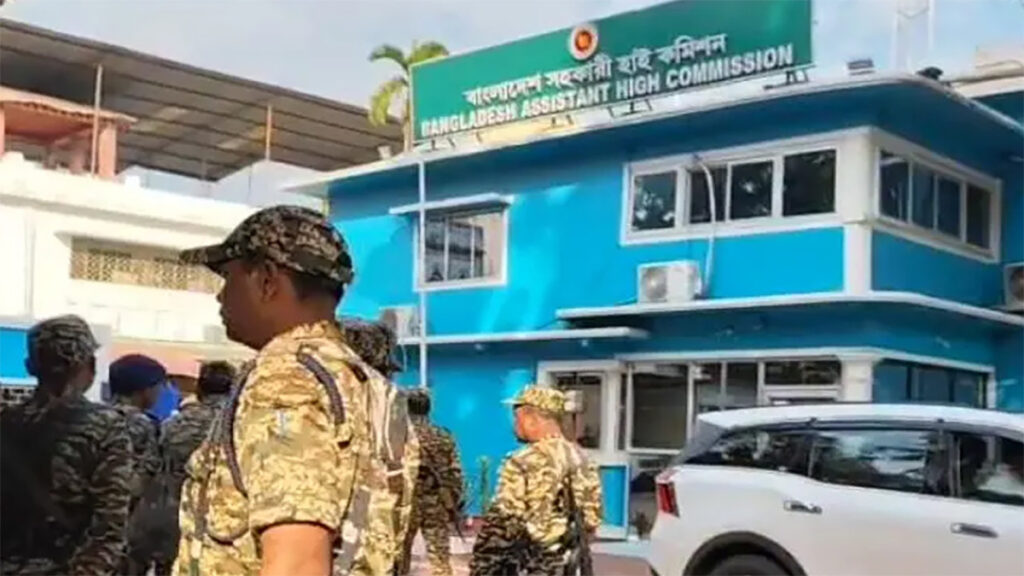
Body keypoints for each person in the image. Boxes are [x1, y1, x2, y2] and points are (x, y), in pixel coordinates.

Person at [171, 205, 387, 576]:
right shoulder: (363, 381)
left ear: (267, 280)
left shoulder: (285, 380)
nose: (220, 296)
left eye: (228, 277)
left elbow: (297, 562)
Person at [0, 315, 132, 576]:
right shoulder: (107, 427)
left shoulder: (5, 422)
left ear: (30, 366)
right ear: (89, 365)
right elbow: (110, 525)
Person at [469, 387, 603, 576]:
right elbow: (591, 520)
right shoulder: (582, 458)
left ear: (531, 418)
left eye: (517, 418)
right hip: (570, 564)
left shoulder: (523, 460)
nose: (515, 425)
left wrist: (482, 567)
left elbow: (504, 524)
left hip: (533, 565)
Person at [150, 361, 236, 576]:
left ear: (199, 390)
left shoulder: (173, 425)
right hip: (223, 524)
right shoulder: (238, 425)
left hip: (174, 521)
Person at [108, 354, 166, 575]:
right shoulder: (144, 425)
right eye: (159, 387)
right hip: (126, 527)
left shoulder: (96, 417)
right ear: (145, 390)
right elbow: (144, 482)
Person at [397, 389, 463, 576]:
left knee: (400, 554)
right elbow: (455, 472)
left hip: (406, 502)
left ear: (407, 408)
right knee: (440, 556)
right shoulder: (443, 435)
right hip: (437, 500)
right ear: (428, 408)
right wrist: (453, 501)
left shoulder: (400, 435)